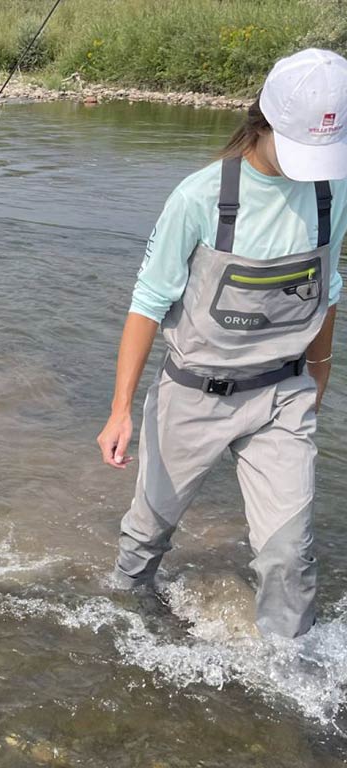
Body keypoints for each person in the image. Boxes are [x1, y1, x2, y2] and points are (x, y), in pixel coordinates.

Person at [96, 48, 347, 638]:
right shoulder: (198, 197)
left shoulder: (331, 196)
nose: (313, 169)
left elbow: (328, 291)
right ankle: (120, 628)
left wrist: (318, 383)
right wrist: (120, 410)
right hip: (193, 394)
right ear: (263, 122)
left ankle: (290, 684)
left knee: (289, 555)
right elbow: (147, 304)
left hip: (284, 394)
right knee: (146, 536)